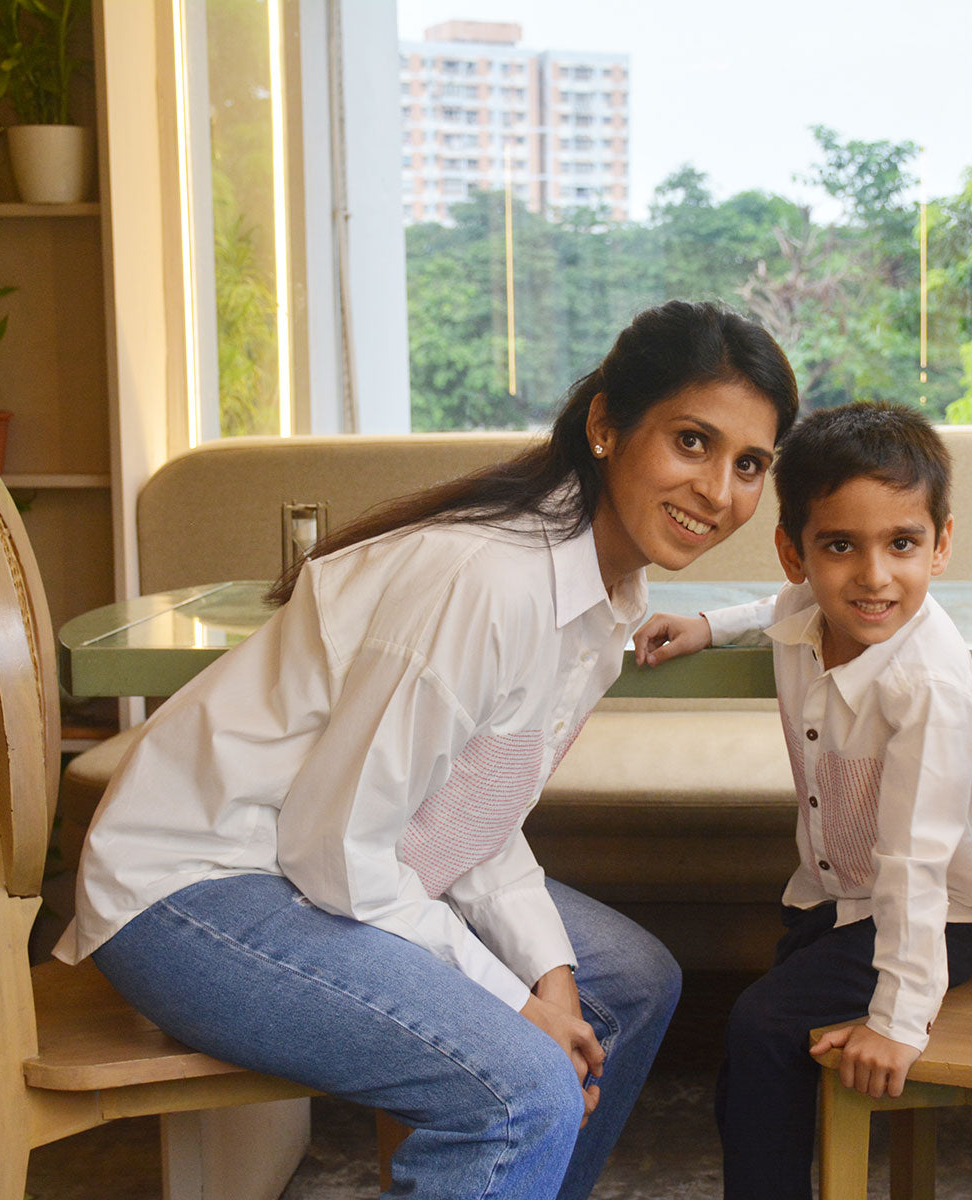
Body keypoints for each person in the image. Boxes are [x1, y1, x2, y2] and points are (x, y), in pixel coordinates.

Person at [54, 300, 800, 1200]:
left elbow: (469, 815)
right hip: (199, 886)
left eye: (749, 464)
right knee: (522, 1089)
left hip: (320, 859)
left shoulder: (609, 598)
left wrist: (552, 976)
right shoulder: (487, 583)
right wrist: (515, 1002)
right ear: (605, 425)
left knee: (630, 983)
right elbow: (336, 852)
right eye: (692, 442)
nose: (718, 491)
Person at [632, 400, 972, 1200]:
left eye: (902, 544)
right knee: (757, 1059)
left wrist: (898, 1021)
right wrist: (708, 626)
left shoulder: (928, 688)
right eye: (841, 546)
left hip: (941, 918)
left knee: (759, 1026)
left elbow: (916, 864)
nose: (874, 577)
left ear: (941, 544)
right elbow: (775, 609)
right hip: (835, 899)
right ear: (795, 554)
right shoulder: (805, 607)